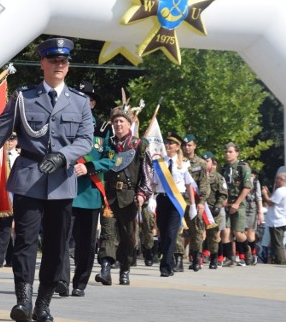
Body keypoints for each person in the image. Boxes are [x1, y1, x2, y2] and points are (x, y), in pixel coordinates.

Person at [0, 37, 93, 322]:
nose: (58, 65)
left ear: (68, 66)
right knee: (25, 242)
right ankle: (23, 300)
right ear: (43, 64)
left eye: (63, 61)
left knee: (55, 246)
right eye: (53, 60)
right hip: (29, 178)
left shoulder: (79, 101)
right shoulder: (24, 98)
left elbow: (86, 139)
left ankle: (43, 303)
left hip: (61, 182)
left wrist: (63, 157)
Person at [58, 81, 116, 296]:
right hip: (65, 189)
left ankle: (79, 283)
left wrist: (90, 166)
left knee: (86, 243)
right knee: (61, 238)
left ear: (91, 103)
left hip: (90, 192)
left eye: (85, 98)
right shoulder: (64, 123)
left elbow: (112, 159)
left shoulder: (103, 129)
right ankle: (61, 280)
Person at [95, 105, 153, 287]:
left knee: (128, 236)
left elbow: (147, 174)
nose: (118, 125)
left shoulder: (139, 146)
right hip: (108, 197)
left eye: (122, 121)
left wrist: (142, 194)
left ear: (129, 124)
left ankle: (125, 268)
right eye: (115, 121)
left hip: (129, 198)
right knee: (107, 233)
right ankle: (105, 267)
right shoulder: (108, 144)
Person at [151, 132, 196, 277]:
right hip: (162, 199)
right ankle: (169, 262)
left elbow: (189, 185)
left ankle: (165, 267)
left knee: (171, 233)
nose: (168, 145)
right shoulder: (159, 163)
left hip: (177, 201)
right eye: (167, 142)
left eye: (171, 143)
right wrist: (150, 199)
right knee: (163, 234)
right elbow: (154, 183)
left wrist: (193, 205)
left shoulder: (184, 164)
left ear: (177, 147)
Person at [181, 134, 210, 272]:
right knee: (179, 231)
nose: (187, 147)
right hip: (180, 200)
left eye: (189, 145)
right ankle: (178, 259)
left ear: (194, 146)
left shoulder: (201, 163)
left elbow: (204, 184)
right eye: (185, 145)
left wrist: (202, 201)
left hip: (194, 201)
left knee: (196, 231)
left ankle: (196, 258)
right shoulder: (178, 161)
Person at [220, 142, 252, 267]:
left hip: (239, 203)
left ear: (237, 153)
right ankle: (230, 257)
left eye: (230, 152)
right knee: (225, 231)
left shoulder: (242, 167)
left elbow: (247, 187)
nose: (227, 154)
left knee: (238, 232)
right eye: (226, 152)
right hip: (226, 203)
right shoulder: (223, 168)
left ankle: (247, 249)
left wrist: (237, 203)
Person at [0, 133, 19, 268]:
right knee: (2, 228)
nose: (9, 142)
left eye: (12, 139)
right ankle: (6, 258)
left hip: (13, 197)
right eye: (7, 139)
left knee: (7, 229)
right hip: (0, 196)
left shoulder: (18, 157)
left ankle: (2, 258)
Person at [201, 152, 228, 269]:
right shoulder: (197, 176)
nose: (205, 163)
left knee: (213, 236)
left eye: (207, 161)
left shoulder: (218, 177)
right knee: (199, 234)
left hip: (212, 210)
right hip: (200, 208)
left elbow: (223, 194)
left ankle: (214, 258)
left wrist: (218, 206)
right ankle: (198, 258)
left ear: (212, 163)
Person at [261, 172, 286, 264]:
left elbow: (270, 203)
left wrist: (264, 194)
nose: (275, 181)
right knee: (280, 243)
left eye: (277, 179)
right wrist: (268, 193)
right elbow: (274, 199)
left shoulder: (281, 191)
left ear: (282, 180)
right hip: (282, 219)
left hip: (276, 221)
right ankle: (280, 260)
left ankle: (281, 262)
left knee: (278, 244)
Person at [244, 170, 264, 265]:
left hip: (251, 207)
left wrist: (260, 212)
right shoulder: (239, 179)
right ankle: (245, 254)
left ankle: (253, 254)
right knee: (240, 232)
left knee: (250, 234)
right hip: (241, 206)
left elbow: (258, 197)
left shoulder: (255, 182)